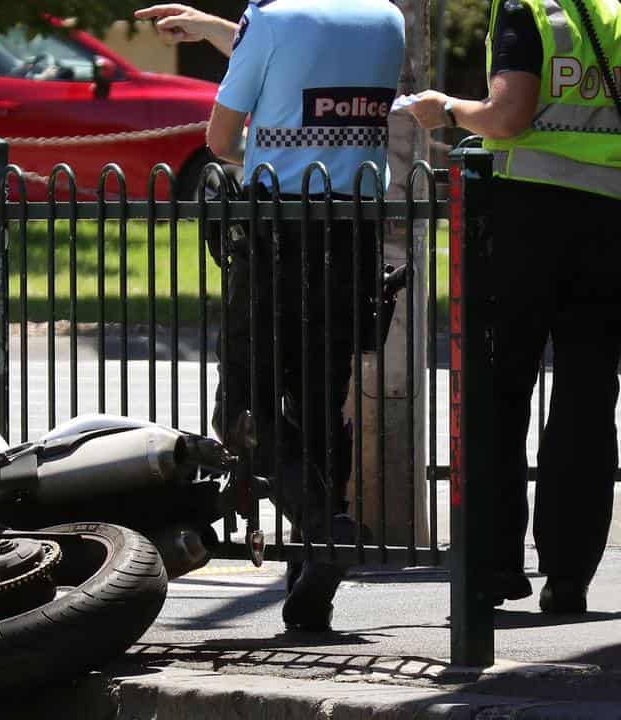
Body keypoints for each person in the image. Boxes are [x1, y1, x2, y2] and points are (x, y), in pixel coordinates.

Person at [136, 0, 405, 631]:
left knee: (241, 408)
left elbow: (221, 139)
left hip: (277, 235)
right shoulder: (387, 20)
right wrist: (214, 32)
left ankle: (322, 528)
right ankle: (314, 583)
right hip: (353, 231)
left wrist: (262, 148)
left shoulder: (273, 20)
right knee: (318, 405)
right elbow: (307, 70)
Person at [404, 0, 621, 614]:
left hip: (524, 218)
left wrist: (444, 109)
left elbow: (508, 115)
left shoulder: (535, 9)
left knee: (497, 393)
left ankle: (492, 566)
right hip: (610, 222)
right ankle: (570, 575)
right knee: (588, 398)